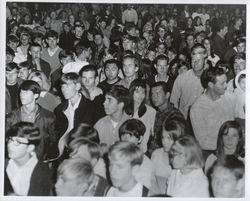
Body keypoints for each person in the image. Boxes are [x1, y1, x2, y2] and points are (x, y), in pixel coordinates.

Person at [190, 67, 235, 160]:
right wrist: (226, 145)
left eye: (226, 81)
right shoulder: (197, 108)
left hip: (233, 150)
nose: (226, 86)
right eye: (223, 83)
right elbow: (202, 142)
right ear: (211, 85)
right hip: (213, 155)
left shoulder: (230, 97)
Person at [6, 80, 57, 160]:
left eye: (26, 93)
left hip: (39, 160)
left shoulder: (48, 117)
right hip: (17, 159)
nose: (22, 95)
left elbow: (53, 140)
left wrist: (45, 156)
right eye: (21, 92)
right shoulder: (11, 117)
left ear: (36, 95)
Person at [54, 73, 96, 158]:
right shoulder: (60, 109)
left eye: (67, 86)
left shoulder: (91, 108)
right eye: (62, 86)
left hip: (84, 151)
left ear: (77, 87)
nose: (64, 89)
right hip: (64, 152)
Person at [5, 122, 52, 196]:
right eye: (10, 140)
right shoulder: (5, 165)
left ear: (30, 148)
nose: (10, 145)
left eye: (18, 142)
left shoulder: (43, 172)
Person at [170, 44, 206, 119]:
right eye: (193, 60)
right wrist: (177, 118)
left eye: (198, 60)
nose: (195, 63)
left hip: (204, 120)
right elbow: (173, 100)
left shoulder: (210, 78)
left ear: (205, 60)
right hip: (184, 119)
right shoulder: (181, 78)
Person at [119, 119, 153, 189]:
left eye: (130, 136)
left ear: (140, 139)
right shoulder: (117, 156)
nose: (125, 139)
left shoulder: (146, 163)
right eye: (123, 135)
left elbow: (143, 190)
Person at [127, 79, 156, 153]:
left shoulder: (151, 111)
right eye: (137, 92)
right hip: (125, 151)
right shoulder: (124, 110)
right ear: (131, 92)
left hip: (143, 152)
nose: (141, 95)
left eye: (143, 92)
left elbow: (153, 135)